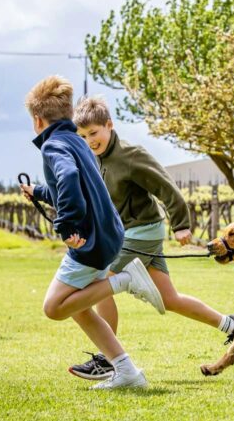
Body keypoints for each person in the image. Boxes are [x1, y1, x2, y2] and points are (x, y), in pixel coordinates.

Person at [67, 96, 234, 381]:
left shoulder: (129, 155)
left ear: (109, 125)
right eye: (83, 136)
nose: (90, 140)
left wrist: (181, 224)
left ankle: (108, 358)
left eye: (94, 133)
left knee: (99, 282)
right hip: (127, 232)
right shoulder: (96, 158)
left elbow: (165, 186)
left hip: (143, 231)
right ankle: (233, 324)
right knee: (169, 298)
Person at [21, 75, 165, 390]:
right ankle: (126, 371)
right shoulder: (76, 140)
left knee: (54, 307)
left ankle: (125, 281)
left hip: (91, 240)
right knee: (79, 306)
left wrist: (66, 225)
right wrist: (40, 191)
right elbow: (73, 183)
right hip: (110, 234)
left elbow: (69, 177)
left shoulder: (53, 145)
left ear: (37, 120)